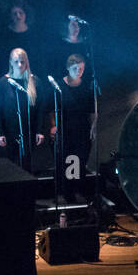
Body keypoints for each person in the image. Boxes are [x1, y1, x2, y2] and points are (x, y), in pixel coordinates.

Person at [52, 53, 96, 199]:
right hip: (65, 130)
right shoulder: (59, 86)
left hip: (82, 130)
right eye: (76, 68)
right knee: (66, 161)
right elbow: (51, 109)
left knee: (79, 161)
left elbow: (92, 111)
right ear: (68, 68)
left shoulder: (87, 87)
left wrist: (93, 127)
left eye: (82, 69)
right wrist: (53, 126)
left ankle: (77, 191)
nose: (79, 71)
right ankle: (64, 193)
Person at [0, 48, 45, 170]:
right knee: (10, 166)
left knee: (27, 165)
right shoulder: (3, 82)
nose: (20, 65)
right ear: (11, 62)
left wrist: (40, 130)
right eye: (16, 61)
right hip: (9, 132)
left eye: (22, 62)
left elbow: (41, 109)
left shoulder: (35, 81)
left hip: (29, 131)